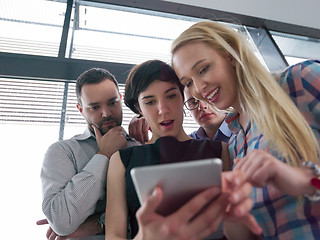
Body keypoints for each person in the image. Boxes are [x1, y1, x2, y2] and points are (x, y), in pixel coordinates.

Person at [171, 20, 320, 239]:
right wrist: (230, 211)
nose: (199, 89)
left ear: (230, 54)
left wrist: (299, 179)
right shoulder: (235, 142)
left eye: (203, 69)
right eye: (188, 82)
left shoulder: (300, 82)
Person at [104, 60, 254, 240]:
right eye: (150, 102)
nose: (163, 110)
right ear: (139, 108)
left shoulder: (219, 150)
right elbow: (114, 236)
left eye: (171, 96)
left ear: (183, 97)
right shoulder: (121, 161)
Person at [38, 68, 142, 240]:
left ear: (120, 100)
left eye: (112, 103)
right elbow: (62, 221)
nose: (106, 113)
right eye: (94, 107)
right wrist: (104, 155)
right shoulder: (63, 152)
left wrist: (93, 224)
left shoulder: (140, 146)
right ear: (81, 109)